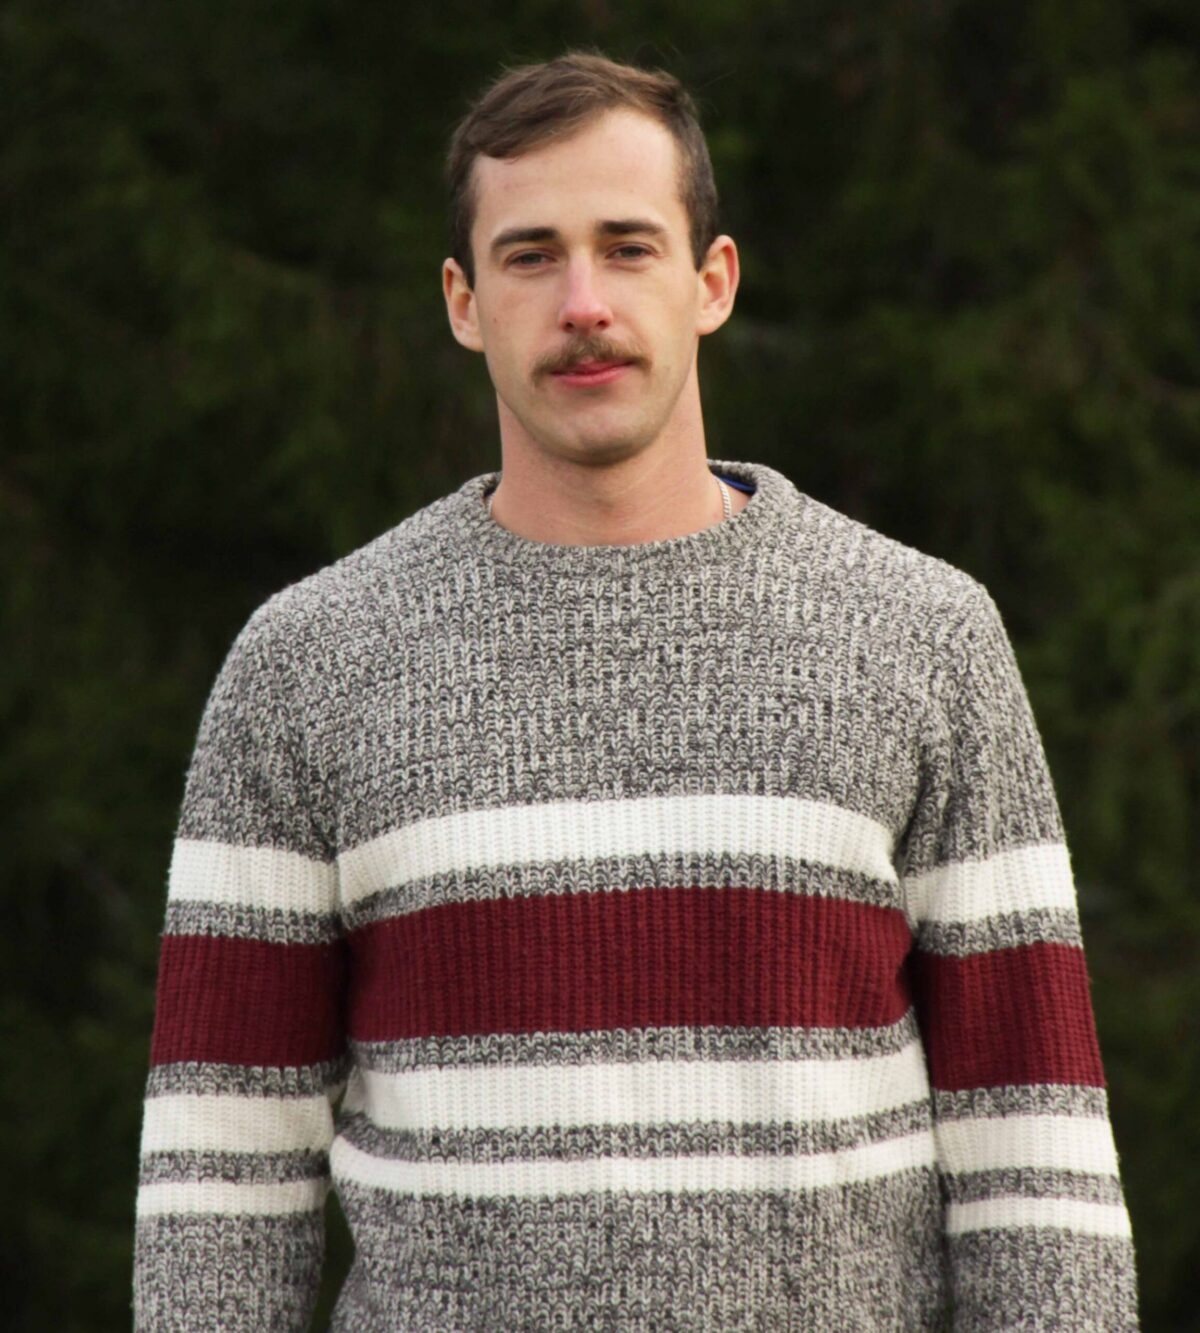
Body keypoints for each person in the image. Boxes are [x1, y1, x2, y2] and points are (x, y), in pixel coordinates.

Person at [134, 52, 1138, 1330]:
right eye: (530, 257)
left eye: (627, 247)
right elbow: (221, 1189)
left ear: (712, 280)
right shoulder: (308, 664)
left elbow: (1036, 1159)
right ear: (462, 302)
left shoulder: (922, 636)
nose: (583, 302)